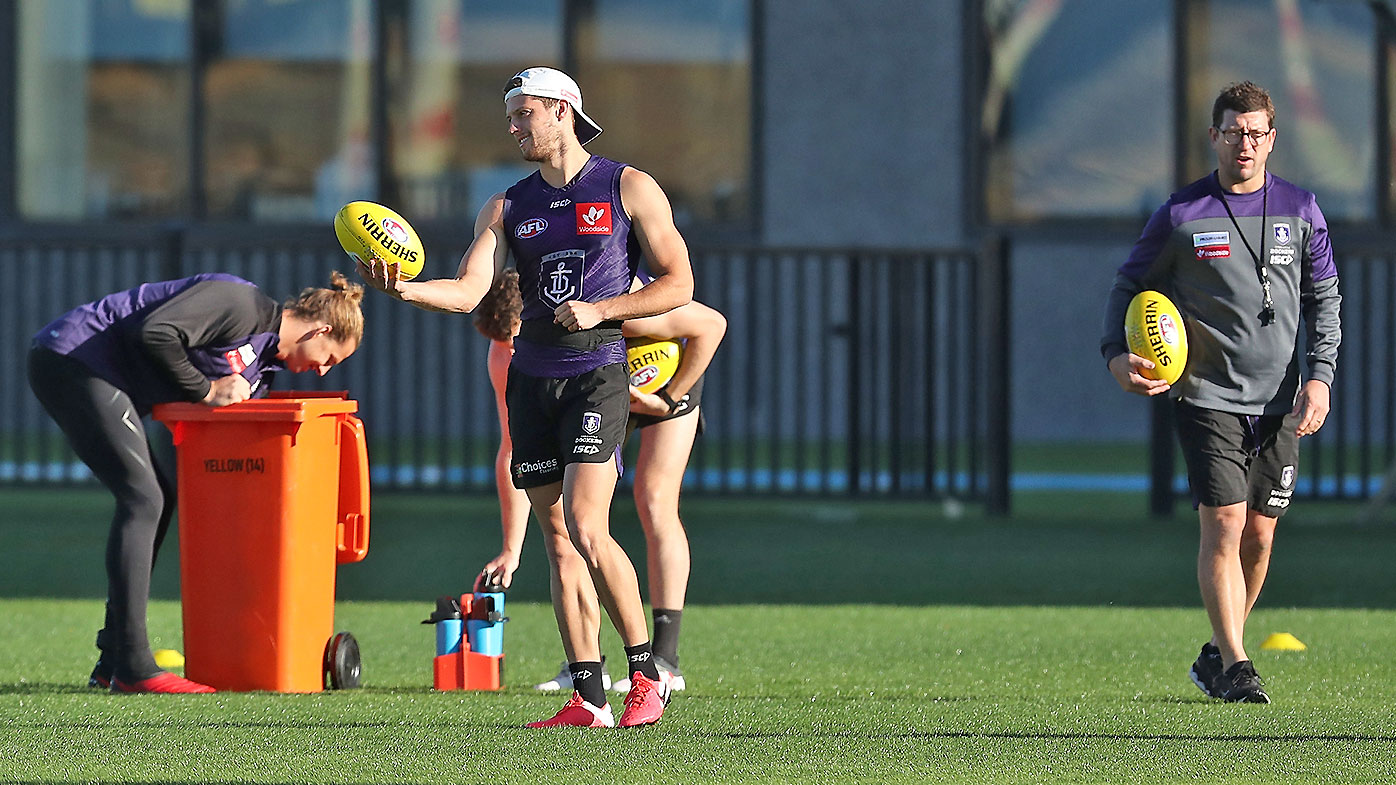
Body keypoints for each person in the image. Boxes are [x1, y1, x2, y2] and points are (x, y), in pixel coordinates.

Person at [358, 66, 694, 728]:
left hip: (596, 370)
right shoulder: (508, 205)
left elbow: (679, 283)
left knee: (590, 525)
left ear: (564, 111)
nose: (513, 127)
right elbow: (468, 290)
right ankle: (589, 697)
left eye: (524, 114)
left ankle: (645, 674)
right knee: (558, 537)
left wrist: (602, 310)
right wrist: (404, 288)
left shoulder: (628, 186)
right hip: (531, 379)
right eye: (510, 116)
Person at [1100, 81, 1341, 704]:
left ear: (1272, 138)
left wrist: (1319, 378)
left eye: (1256, 133)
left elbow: (1325, 300)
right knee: (1225, 523)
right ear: (1215, 136)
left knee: (1261, 534)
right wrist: (1116, 356)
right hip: (1205, 394)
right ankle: (1236, 665)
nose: (1244, 144)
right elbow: (1128, 286)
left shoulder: (1302, 208)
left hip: (1281, 400)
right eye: (1233, 132)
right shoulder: (1182, 214)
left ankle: (1216, 651)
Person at [28, 271, 365, 694]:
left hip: (100, 374)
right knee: (144, 499)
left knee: (155, 499)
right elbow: (156, 333)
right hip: (73, 357)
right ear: (321, 329)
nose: (321, 372)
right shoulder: (240, 303)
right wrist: (206, 391)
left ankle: (113, 659)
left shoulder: (263, 363)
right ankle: (132, 666)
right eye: (330, 358)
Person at [472, 270, 727, 695]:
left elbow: (710, 325)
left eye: (518, 338)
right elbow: (514, 450)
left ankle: (664, 659)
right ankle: (588, 666)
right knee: (572, 525)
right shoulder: (509, 356)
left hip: (664, 382)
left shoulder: (615, 309)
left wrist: (668, 398)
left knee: (654, 499)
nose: (514, 350)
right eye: (508, 344)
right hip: (593, 388)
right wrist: (510, 549)